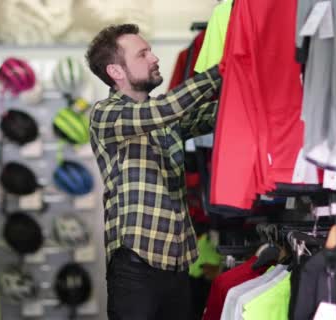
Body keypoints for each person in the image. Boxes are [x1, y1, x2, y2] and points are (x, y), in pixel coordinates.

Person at [85, 23, 222, 320]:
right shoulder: (106, 114)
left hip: (178, 264)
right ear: (116, 71)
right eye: (143, 54)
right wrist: (221, 70)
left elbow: (217, 116)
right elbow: (163, 112)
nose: (155, 58)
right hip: (136, 269)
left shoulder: (164, 116)